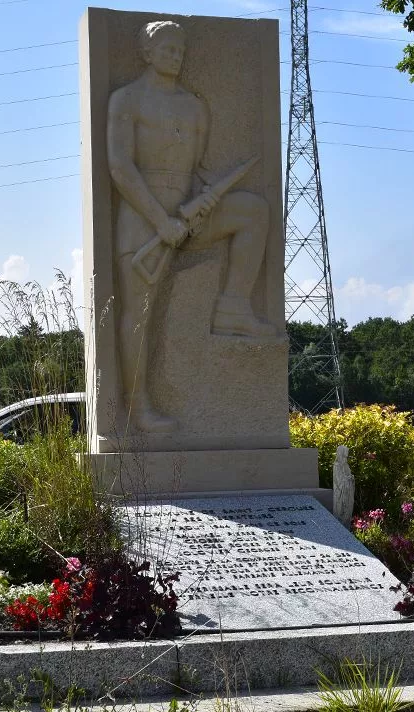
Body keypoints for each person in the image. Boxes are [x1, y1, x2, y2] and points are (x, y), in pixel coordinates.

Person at [107, 20, 276, 433]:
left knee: (253, 211)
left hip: (188, 213)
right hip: (143, 221)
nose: (175, 55)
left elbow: (195, 169)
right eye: (166, 48)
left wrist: (203, 198)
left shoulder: (195, 106)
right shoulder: (126, 100)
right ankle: (138, 407)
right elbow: (121, 168)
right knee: (139, 316)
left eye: (180, 49)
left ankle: (234, 308)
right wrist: (161, 222)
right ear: (146, 53)